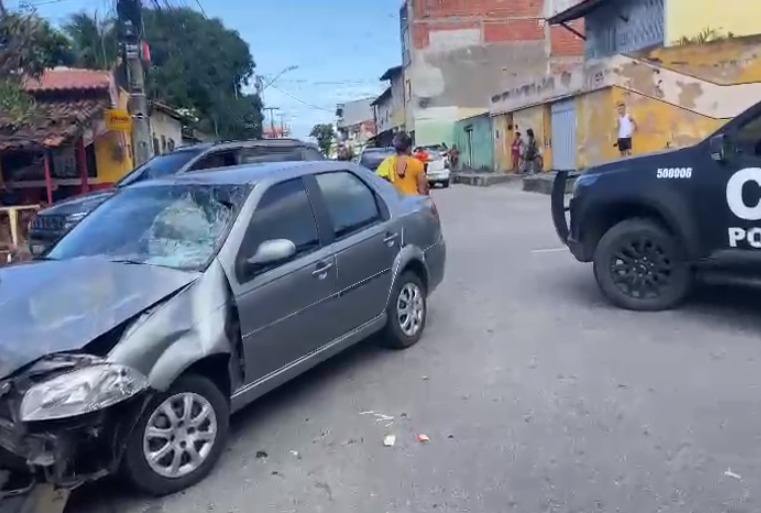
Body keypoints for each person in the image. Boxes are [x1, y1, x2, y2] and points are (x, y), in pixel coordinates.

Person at [376, 132, 429, 196]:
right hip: (414, 201)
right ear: (409, 148)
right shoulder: (416, 163)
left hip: (397, 202)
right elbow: (422, 188)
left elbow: (378, 180)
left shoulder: (388, 162)